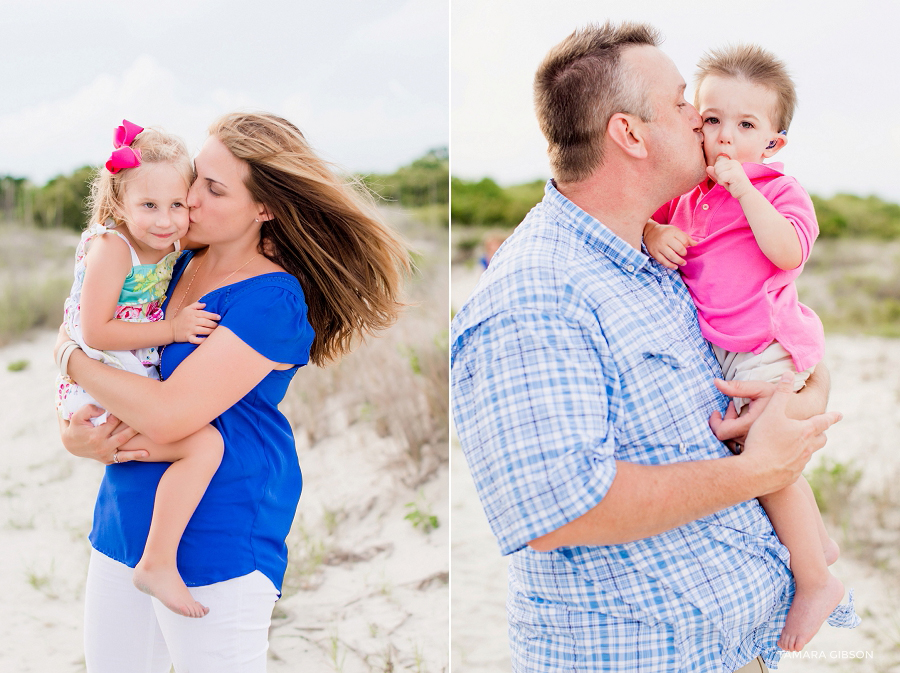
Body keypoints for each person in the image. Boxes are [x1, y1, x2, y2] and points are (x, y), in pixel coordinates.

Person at [450, 22, 850, 673]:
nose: (701, 118)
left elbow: (751, 327)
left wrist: (805, 385)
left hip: (729, 647)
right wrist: (757, 470)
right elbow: (559, 508)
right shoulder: (534, 296)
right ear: (630, 134)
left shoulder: (652, 250)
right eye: (682, 101)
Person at [56, 111, 409, 673]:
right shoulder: (177, 264)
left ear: (264, 207)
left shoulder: (272, 298)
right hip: (123, 518)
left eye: (212, 188)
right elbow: (105, 340)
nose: (189, 199)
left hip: (218, 534)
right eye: (196, 177)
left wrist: (69, 359)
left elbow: (168, 413)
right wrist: (77, 437)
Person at [642, 44, 853, 652]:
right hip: (725, 350)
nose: (725, 138)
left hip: (770, 341)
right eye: (711, 120)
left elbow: (788, 252)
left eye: (745, 125)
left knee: (764, 452)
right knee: (749, 451)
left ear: (774, 143)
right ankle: (815, 542)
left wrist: (744, 188)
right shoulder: (688, 197)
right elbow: (639, 220)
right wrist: (656, 229)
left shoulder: (780, 192)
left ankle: (816, 579)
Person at [56, 120, 224, 619]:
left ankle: (156, 555)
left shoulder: (169, 247)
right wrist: (171, 330)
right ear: (118, 207)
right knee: (203, 444)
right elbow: (98, 332)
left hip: (120, 368)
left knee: (194, 442)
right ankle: (156, 562)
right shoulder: (113, 247)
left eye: (176, 204)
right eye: (148, 206)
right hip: (102, 370)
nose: (166, 219)